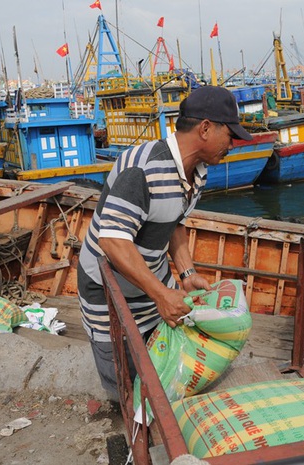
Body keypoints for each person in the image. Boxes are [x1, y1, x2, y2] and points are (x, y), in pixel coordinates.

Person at [77, 85, 253, 400]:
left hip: (151, 281)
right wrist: (161, 295)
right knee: (123, 384)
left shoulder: (196, 171)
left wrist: (186, 274)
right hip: (108, 288)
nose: (233, 145)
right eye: (231, 135)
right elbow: (113, 241)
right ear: (205, 128)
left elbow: (175, 223)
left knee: (158, 365)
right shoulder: (141, 168)